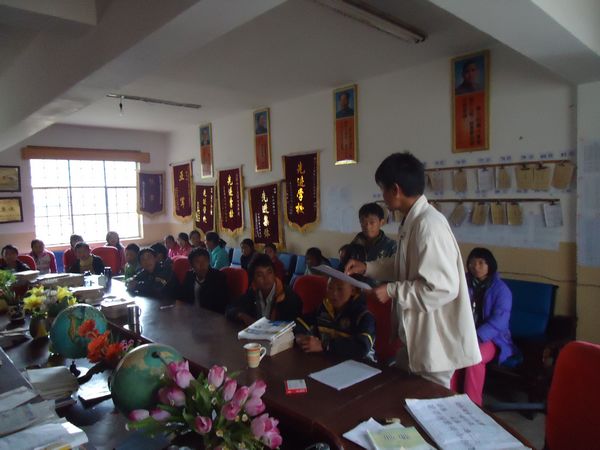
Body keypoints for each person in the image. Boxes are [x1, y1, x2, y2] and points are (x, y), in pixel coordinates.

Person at [345, 152, 481, 388]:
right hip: (417, 338)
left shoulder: (428, 225)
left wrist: (392, 291)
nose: (383, 197)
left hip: (434, 344)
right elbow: (402, 263)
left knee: (427, 403)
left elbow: (442, 287)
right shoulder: (413, 221)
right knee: (400, 393)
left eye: (383, 190)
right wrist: (368, 267)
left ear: (395, 190)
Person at [453, 248, 517, 406]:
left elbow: (500, 321)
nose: (476, 267)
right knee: (451, 352)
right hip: (465, 334)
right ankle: (449, 396)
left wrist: (478, 337)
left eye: (481, 263)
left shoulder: (501, 290)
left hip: (493, 339)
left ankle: (472, 404)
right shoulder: (463, 283)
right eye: (472, 262)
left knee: (475, 357)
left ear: (490, 265)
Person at [295, 275, 375, 360]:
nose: (334, 294)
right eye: (330, 288)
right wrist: (300, 336)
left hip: (359, 364)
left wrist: (324, 345)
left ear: (353, 290)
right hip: (329, 359)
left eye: (340, 289)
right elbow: (302, 321)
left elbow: (362, 347)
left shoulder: (363, 316)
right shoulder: (324, 308)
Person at [226, 253, 302, 326]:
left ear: (274, 274)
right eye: (260, 275)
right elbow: (230, 308)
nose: (266, 278)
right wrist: (243, 316)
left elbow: (294, 327)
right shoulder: (253, 292)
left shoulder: (288, 297)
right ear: (253, 280)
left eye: (269, 272)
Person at [178, 248, 228, 313]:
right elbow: (182, 297)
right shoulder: (189, 275)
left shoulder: (218, 277)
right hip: (191, 313)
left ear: (208, 262)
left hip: (210, 315)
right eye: (197, 262)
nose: (202, 265)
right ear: (192, 265)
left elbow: (221, 304)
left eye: (205, 261)